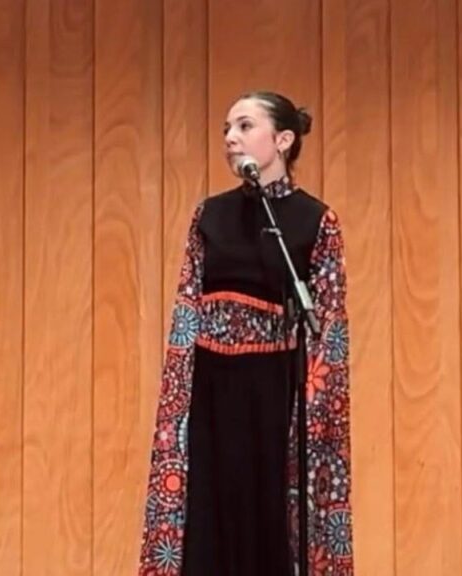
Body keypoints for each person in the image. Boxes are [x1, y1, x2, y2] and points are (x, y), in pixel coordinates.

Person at [137, 91, 354, 576]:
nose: (231, 138)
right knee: (210, 516)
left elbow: (329, 328)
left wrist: (315, 411)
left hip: (277, 393)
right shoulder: (209, 216)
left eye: (244, 126)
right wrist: (179, 401)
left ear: (283, 140)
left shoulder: (316, 221)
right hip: (212, 391)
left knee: (270, 520)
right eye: (226, 130)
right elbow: (187, 309)